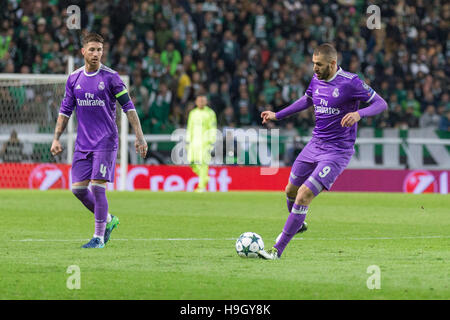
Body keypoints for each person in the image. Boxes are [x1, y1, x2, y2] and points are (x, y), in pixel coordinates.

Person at [259, 43, 388, 259]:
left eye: (319, 64)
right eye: (313, 64)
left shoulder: (350, 82)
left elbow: (381, 104)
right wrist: (278, 115)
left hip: (337, 151)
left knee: (303, 195)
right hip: (315, 144)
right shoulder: (316, 80)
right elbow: (307, 100)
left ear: (333, 63)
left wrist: (359, 114)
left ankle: (276, 250)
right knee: (290, 190)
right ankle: (297, 224)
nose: (315, 68)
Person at [50, 33, 147, 249]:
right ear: (83, 51)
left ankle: (99, 237)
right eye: (92, 49)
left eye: (100, 50)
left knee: (98, 187)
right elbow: (65, 111)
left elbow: (128, 107)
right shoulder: (74, 79)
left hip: (105, 140)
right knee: (78, 190)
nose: (96, 54)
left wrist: (139, 136)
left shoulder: (111, 78)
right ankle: (109, 219)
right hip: (83, 143)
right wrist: (56, 138)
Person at [186, 94, 217, 192]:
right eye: (199, 101)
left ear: (206, 102)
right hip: (193, 142)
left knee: (203, 164)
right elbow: (189, 127)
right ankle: (204, 178)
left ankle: (201, 186)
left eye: (203, 101)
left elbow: (212, 128)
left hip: (205, 142)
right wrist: (188, 140)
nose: (201, 102)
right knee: (191, 162)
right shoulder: (193, 113)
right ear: (196, 102)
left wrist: (212, 142)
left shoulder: (210, 113)